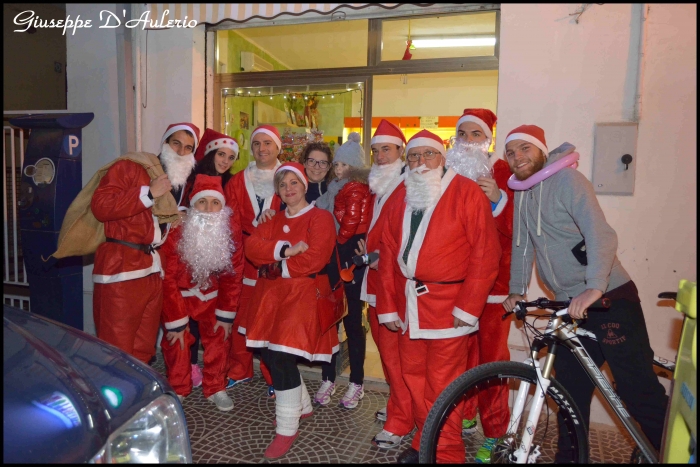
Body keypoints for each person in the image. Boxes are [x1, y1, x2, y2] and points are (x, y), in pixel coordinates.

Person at [501, 124, 668, 462]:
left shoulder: (568, 181)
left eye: (524, 149)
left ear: (542, 151)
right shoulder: (523, 193)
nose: (517, 157)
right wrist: (517, 290)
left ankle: (676, 452)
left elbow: (601, 235)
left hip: (610, 299)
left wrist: (594, 286)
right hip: (570, 306)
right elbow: (522, 246)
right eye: (511, 152)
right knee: (569, 395)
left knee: (638, 391)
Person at [376, 129, 501, 464]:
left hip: (450, 308)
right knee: (413, 379)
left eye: (428, 155)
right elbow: (387, 253)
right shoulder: (402, 193)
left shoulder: (466, 192)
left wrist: (469, 307)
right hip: (408, 306)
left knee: (443, 386)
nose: (420, 163)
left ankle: (444, 454)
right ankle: (424, 442)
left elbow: (486, 254)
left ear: (442, 157)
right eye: (414, 156)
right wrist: (386, 306)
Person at [242, 162, 338, 459]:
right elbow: (252, 248)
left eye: (294, 183)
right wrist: (285, 250)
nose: (288, 189)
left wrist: (274, 267)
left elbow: (315, 258)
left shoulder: (321, 217)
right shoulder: (272, 217)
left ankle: (287, 428)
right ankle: (302, 407)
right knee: (270, 355)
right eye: (283, 185)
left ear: (304, 185)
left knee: (280, 356)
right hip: (272, 298)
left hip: (304, 296)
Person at [91, 122, 200, 365]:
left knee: (143, 350)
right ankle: (117, 402)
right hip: (121, 269)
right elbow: (101, 206)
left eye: (188, 148)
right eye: (176, 144)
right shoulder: (130, 166)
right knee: (116, 351)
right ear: (164, 143)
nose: (181, 152)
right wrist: (148, 193)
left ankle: (138, 399)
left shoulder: (176, 184)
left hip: (151, 270)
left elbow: (151, 223)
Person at [453, 109, 515, 463]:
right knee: (461, 358)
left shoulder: (501, 172)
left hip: (494, 287)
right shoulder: (449, 173)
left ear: (488, 139)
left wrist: (497, 200)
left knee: (491, 361)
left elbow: (517, 228)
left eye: (475, 134)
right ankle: (464, 414)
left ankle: (496, 433)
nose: (467, 141)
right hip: (457, 285)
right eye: (462, 134)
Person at [160, 174, 244, 411]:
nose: (209, 209)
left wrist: (226, 313)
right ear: (193, 205)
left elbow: (233, 273)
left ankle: (216, 386)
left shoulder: (229, 229)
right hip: (181, 296)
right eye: (202, 202)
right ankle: (178, 387)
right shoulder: (178, 229)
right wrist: (176, 320)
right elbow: (167, 277)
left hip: (214, 297)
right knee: (176, 340)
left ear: (222, 206)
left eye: (215, 202)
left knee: (220, 336)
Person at [358, 119, 414, 450]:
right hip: (377, 281)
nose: (380, 156)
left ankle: (400, 420)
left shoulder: (409, 186)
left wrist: (384, 257)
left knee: (395, 356)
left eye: (387, 149)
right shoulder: (379, 185)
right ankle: (398, 406)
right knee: (386, 352)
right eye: (376, 150)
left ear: (401, 151)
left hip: (395, 285)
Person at [224, 124, 282, 397]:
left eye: (267, 143)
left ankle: (275, 376)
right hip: (245, 258)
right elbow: (230, 221)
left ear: (277, 148)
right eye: (257, 144)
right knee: (240, 315)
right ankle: (240, 369)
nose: (262, 149)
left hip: (277, 258)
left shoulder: (289, 179)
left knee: (274, 320)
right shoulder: (237, 182)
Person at [314, 132, 371, 410]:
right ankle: (328, 377)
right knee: (330, 320)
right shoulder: (335, 188)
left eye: (343, 166)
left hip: (348, 255)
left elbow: (349, 222)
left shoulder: (355, 189)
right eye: (335, 165)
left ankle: (356, 381)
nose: (338, 170)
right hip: (333, 257)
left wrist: (337, 239)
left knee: (351, 323)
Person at [181, 129, 240, 389]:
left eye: (230, 157)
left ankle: (215, 377)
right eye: (221, 154)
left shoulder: (231, 183)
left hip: (218, 268)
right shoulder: (188, 180)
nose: (225, 161)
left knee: (214, 328)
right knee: (187, 325)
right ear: (209, 153)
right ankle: (189, 367)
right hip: (188, 267)